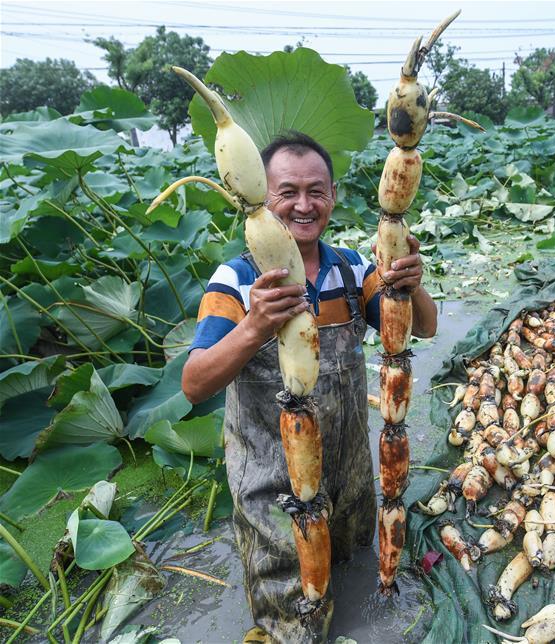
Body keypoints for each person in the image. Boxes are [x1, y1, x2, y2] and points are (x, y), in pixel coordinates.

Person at [182, 131, 437, 643]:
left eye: (316, 190)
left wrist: (411, 283)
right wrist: (254, 327)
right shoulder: (234, 280)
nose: (303, 205)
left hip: (350, 480)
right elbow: (194, 384)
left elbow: (423, 329)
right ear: (263, 197)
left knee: (355, 574)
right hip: (275, 494)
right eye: (288, 192)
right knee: (295, 621)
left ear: (334, 195)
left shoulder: (353, 268)